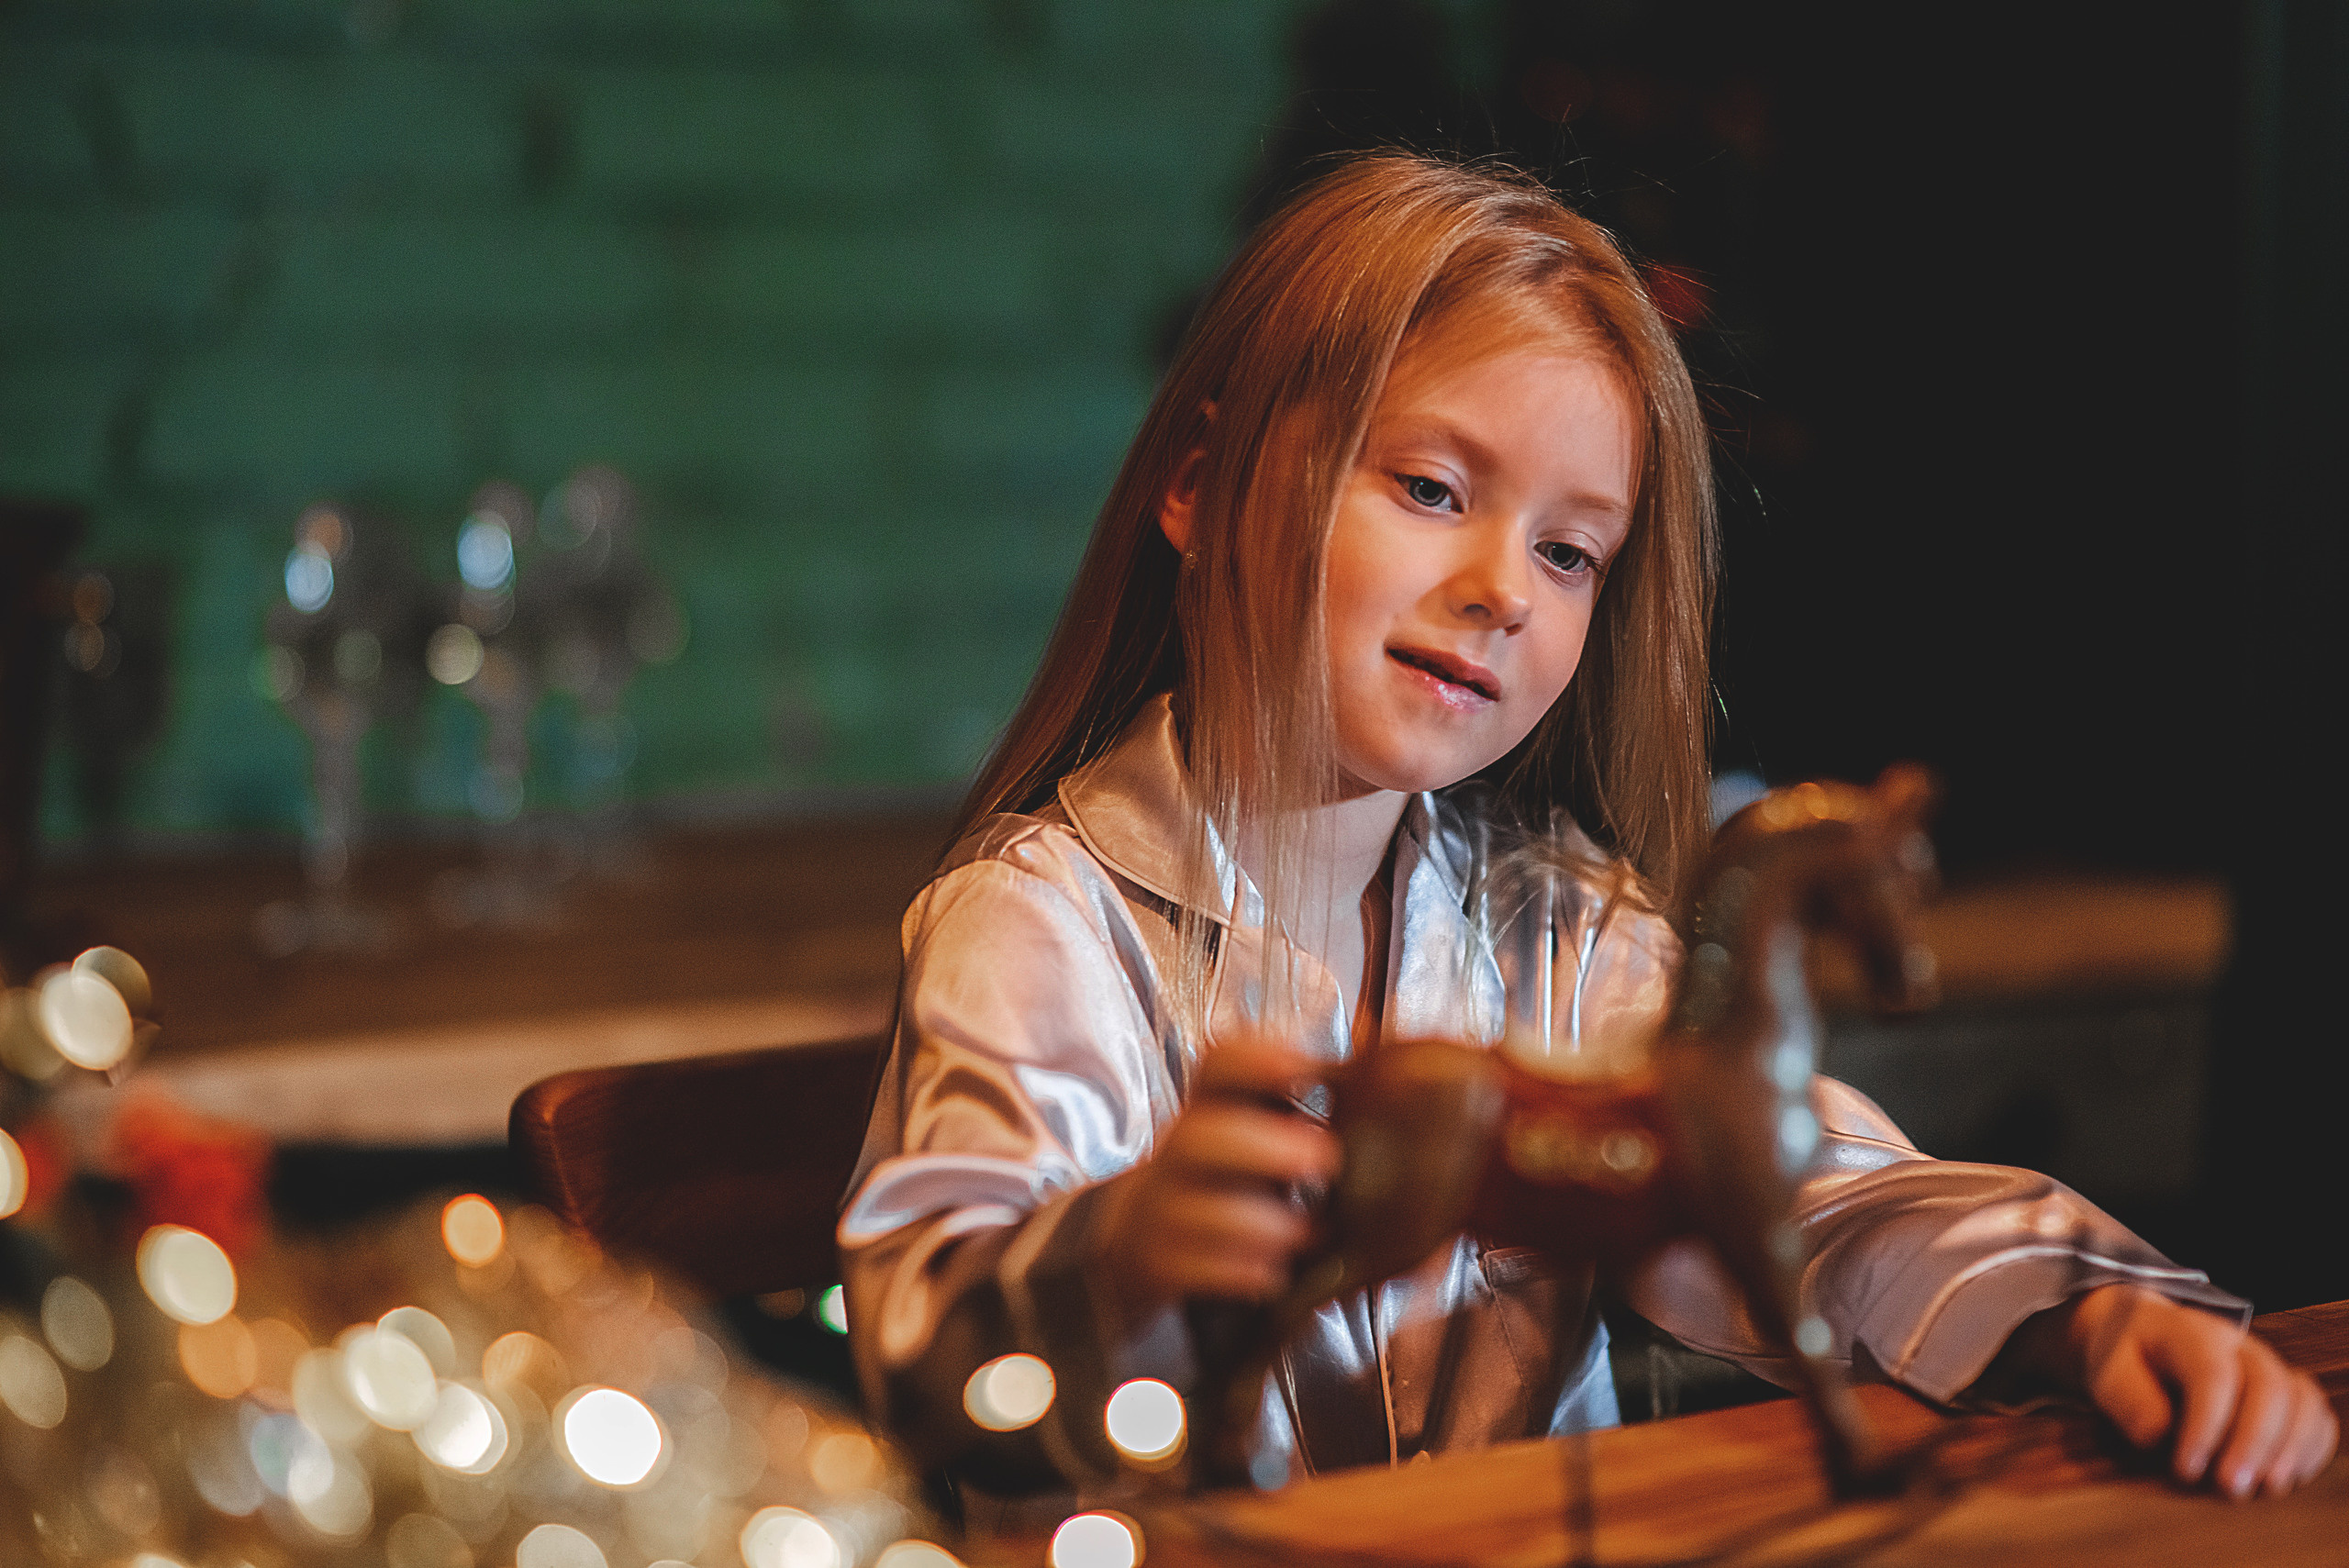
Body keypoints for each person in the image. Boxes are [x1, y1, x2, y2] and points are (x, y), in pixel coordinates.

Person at [838, 155, 2336, 1509]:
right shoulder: (1037, 926)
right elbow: (919, 1363)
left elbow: (1812, 1193)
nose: (1504, 588)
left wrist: (2087, 1305)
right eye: (1431, 488)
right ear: (1198, 483)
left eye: (1569, 552)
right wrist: (1115, 1256)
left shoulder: (1564, 931)